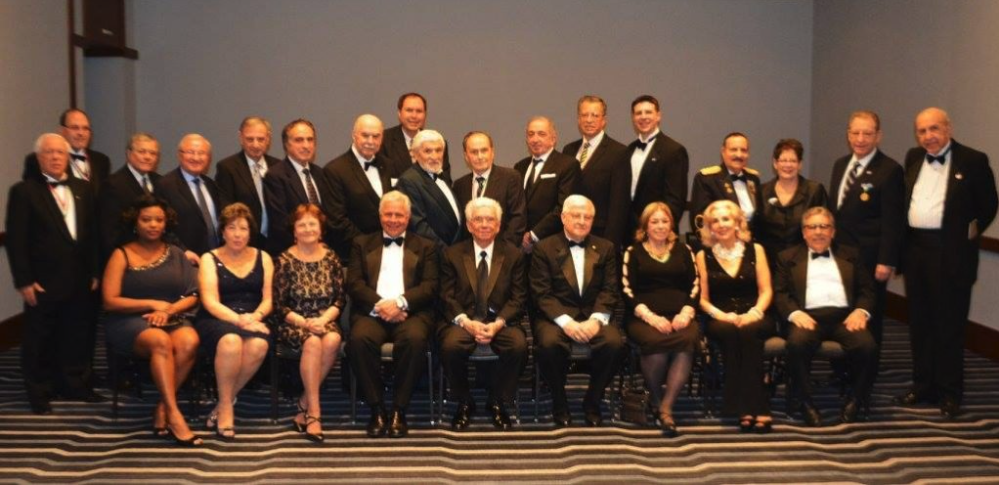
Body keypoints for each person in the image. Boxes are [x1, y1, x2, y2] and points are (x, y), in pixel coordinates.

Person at [897, 107, 998, 418]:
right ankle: (923, 383)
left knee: (950, 325)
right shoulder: (913, 157)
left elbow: (989, 205)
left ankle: (950, 391)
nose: (928, 136)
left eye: (934, 129)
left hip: (951, 255)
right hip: (916, 253)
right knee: (920, 323)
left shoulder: (973, 160)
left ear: (948, 128)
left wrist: (964, 236)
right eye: (922, 131)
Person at [5, 133, 101, 414]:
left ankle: (75, 384)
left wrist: (95, 271)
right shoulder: (24, 192)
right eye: (50, 153)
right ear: (39, 158)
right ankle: (39, 392)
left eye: (61, 153)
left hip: (81, 279)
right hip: (43, 281)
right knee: (40, 338)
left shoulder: (83, 188)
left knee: (77, 335)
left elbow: (92, 235)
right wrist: (24, 281)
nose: (57, 157)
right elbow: (16, 240)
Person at [101, 195, 202, 446]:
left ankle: (161, 407)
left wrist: (168, 311)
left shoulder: (177, 253)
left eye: (159, 220)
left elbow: (194, 294)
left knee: (190, 341)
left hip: (172, 316)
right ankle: (175, 414)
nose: (154, 225)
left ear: (166, 224)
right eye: (147, 219)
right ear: (136, 222)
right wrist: (152, 304)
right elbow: (110, 301)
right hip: (129, 320)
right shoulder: (121, 254)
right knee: (159, 341)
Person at [774, 207, 877, 426]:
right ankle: (805, 402)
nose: (818, 232)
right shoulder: (786, 257)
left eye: (824, 226)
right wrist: (794, 313)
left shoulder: (852, 254)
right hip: (807, 317)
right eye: (812, 227)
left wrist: (861, 311)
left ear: (833, 231)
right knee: (797, 344)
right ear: (803, 232)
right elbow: (780, 293)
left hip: (845, 318)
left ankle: (856, 399)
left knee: (867, 345)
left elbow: (867, 290)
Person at [347, 191, 438, 438]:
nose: (394, 219)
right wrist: (381, 305)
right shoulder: (361, 243)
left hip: (410, 313)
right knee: (358, 340)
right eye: (388, 214)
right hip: (372, 312)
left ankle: (399, 408)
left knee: (415, 340)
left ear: (408, 217)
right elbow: (354, 284)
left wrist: (400, 303)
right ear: (379, 216)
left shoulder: (426, 246)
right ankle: (377, 408)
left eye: (399, 214)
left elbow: (430, 286)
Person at [530, 195, 625, 427]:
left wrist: (596, 320)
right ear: (563, 217)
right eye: (576, 215)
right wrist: (567, 323)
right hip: (556, 317)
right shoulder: (544, 248)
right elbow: (541, 294)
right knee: (549, 344)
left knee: (614, 344)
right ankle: (559, 401)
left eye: (588, 217)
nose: (582, 221)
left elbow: (610, 290)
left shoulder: (606, 247)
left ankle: (592, 400)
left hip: (594, 314)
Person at [439, 197, 528, 431]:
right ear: (469, 225)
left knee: (518, 345)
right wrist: (466, 323)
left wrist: (498, 324)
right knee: (450, 346)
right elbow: (446, 297)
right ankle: (464, 401)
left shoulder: (514, 255)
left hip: (500, 321)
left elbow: (519, 298)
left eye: (490, 220)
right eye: (479, 219)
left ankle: (497, 400)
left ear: (499, 225)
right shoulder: (452, 254)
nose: (485, 224)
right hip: (465, 321)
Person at [695, 200, 774, 433]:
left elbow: (766, 290)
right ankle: (753, 405)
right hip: (720, 317)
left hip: (755, 312)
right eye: (715, 221)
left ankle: (747, 406)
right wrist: (722, 315)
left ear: (738, 222)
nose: (721, 224)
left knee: (749, 332)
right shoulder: (703, 255)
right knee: (731, 332)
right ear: (709, 227)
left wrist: (754, 313)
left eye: (726, 219)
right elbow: (702, 298)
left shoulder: (756, 250)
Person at [196, 203, 273, 440]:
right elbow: (210, 301)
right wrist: (241, 321)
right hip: (218, 318)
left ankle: (222, 402)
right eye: (232, 228)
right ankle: (227, 409)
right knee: (231, 341)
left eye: (243, 228)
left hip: (254, 317)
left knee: (259, 344)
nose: (238, 234)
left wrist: (256, 317)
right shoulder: (209, 258)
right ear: (223, 231)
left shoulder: (264, 257)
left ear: (251, 231)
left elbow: (269, 299)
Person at [827, 111, 904, 349]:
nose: (860, 139)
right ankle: (842, 368)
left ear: (878, 136)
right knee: (840, 309)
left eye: (867, 133)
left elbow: (894, 220)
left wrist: (887, 260)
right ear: (848, 135)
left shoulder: (890, 170)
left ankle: (866, 370)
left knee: (868, 313)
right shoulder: (840, 165)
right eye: (855, 133)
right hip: (840, 255)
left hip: (870, 258)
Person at [621, 202, 698, 437]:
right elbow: (626, 289)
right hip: (643, 317)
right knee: (655, 343)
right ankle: (655, 398)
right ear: (645, 226)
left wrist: (686, 312)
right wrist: (651, 317)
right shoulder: (632, 252)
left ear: (671, 225)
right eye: (654, 221)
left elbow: (695, 285)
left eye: (665, 221)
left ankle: (665, 407)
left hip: (680, 316)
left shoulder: (685, 250)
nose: (660, 226)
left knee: (686, 343)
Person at [272, 204, 345, 443]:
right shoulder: (283, 260)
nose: (307, 229)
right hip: (294, 321)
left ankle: (303, 402)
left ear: (320, 229)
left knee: (333, 338)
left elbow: (339, 299)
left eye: (312, 223)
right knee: (313, 343)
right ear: (294, 230)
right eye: (301, 224)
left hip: (324, 320)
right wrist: (305, 323)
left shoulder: (331, 257)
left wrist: (323, 320)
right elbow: (280, 306)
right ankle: (314, 413)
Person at [324, 114, 399, 261]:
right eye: (365, 135)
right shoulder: (335, 170)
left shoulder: (389, 166)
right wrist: (370, 246)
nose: (370, 141)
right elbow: (337, 221)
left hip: (390, 251)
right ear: (354, 135)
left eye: (376, 136)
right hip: (353, 255)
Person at [562, 95, 630, 248]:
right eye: (584, 115)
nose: (589, 120)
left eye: (595, 115)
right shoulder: (568, 150)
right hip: (569, 235)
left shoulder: (619, 152)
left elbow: (619, 205)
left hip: (600, 235)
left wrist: (609, 244)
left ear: (604, 120)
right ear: (578, 119)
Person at [264, 119, 336, 255]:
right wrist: (308, 246)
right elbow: (280, 223)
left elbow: (327, 215)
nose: (306, 145)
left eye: (310, 140)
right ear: (286, 144)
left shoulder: (320, 173)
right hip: (291, 254)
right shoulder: (275, 176)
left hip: (321, 252)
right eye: (299, 140)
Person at [155, 134, 229, 264]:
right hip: (184, 261)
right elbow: (162, 227)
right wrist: (183, 251)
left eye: (201, 153)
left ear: (209, 158)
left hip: (216, 258)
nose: (196, 158)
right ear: (180, 155)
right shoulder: (165, 185)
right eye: (190, 152)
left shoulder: (211, 185)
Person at [513, 116, 581, 253]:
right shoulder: (520, 166)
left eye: (542, 134)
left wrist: (533, 235)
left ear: (553, 138)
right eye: (531, 134)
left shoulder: (567, 165)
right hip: (521, 247)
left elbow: (564, 207)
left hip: (552, 245)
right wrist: (519, 235)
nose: (535, 139)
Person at [625, 95, 689, 236]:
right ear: (633, 118)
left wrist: (660, 227)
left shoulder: (674, 150)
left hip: (660, 234)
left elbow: (675, 200)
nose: (643, 117)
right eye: (638, 113)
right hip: (631, 232)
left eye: (648, 112)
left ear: (658, 116)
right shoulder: (628, 150)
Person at [756, 138, 829, 263]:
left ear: (800, 164)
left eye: (793, 161)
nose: (788, 165)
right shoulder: (762, 191)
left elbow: (825, 228)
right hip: (770, 263)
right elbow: (757, 230)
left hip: (804, 262)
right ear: (775, 163)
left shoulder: (814, 190)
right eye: (783, 160)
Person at [452, 131, 527, 247]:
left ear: (492, 152)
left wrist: (504, 251)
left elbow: (518, 218)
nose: (480, 156)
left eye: (484, 150)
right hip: (470, 256)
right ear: (466, 156)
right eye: (474, 152)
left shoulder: (511, 177)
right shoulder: (459, 185)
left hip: (504, 252)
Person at [215, 117, 281, 250]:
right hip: (243, 243)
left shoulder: (278, 166)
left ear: (268, 139)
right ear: (240, 138)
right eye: (250, 139)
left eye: (261, 139)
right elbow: (226, 210)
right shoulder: (227, 168)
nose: (255, 145)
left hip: (276, 243)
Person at [99, 133, 162, 261]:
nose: (147, 157)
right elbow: (109, 233)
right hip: (127, 260)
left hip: (157, 257)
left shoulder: (160, 182)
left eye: (153, 153)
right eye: (142, 152)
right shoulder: (113, 184)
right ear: (128, 153)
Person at [396, 130, 463, 247]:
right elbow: (418, 226)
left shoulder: (441, 176)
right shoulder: (408, 181)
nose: (434, 156)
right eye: (428, 151)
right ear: (415, 154)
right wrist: (448, 254)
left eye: (438, 150)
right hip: (435, 256)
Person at [23, 109, 111, 192]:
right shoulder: (38, 160)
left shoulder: (102, 160)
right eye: (75, 128)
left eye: (85, 128)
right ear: (61, 131)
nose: (81, 133)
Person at [690, 133, 762, 232]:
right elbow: (700, 220)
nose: (739, 155)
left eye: (743, 150)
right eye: (733, 150)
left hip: (753, 242)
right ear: (723, 152)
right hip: (721, 242)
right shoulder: (707, 179)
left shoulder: (753, 178)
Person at [379, 92, 452, 182]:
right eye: (409, 110)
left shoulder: (437, 143)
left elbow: (445, 180)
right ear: (399, 113)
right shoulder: (383, 140)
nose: (414, 116)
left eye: (419, 111)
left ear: (425, 114)